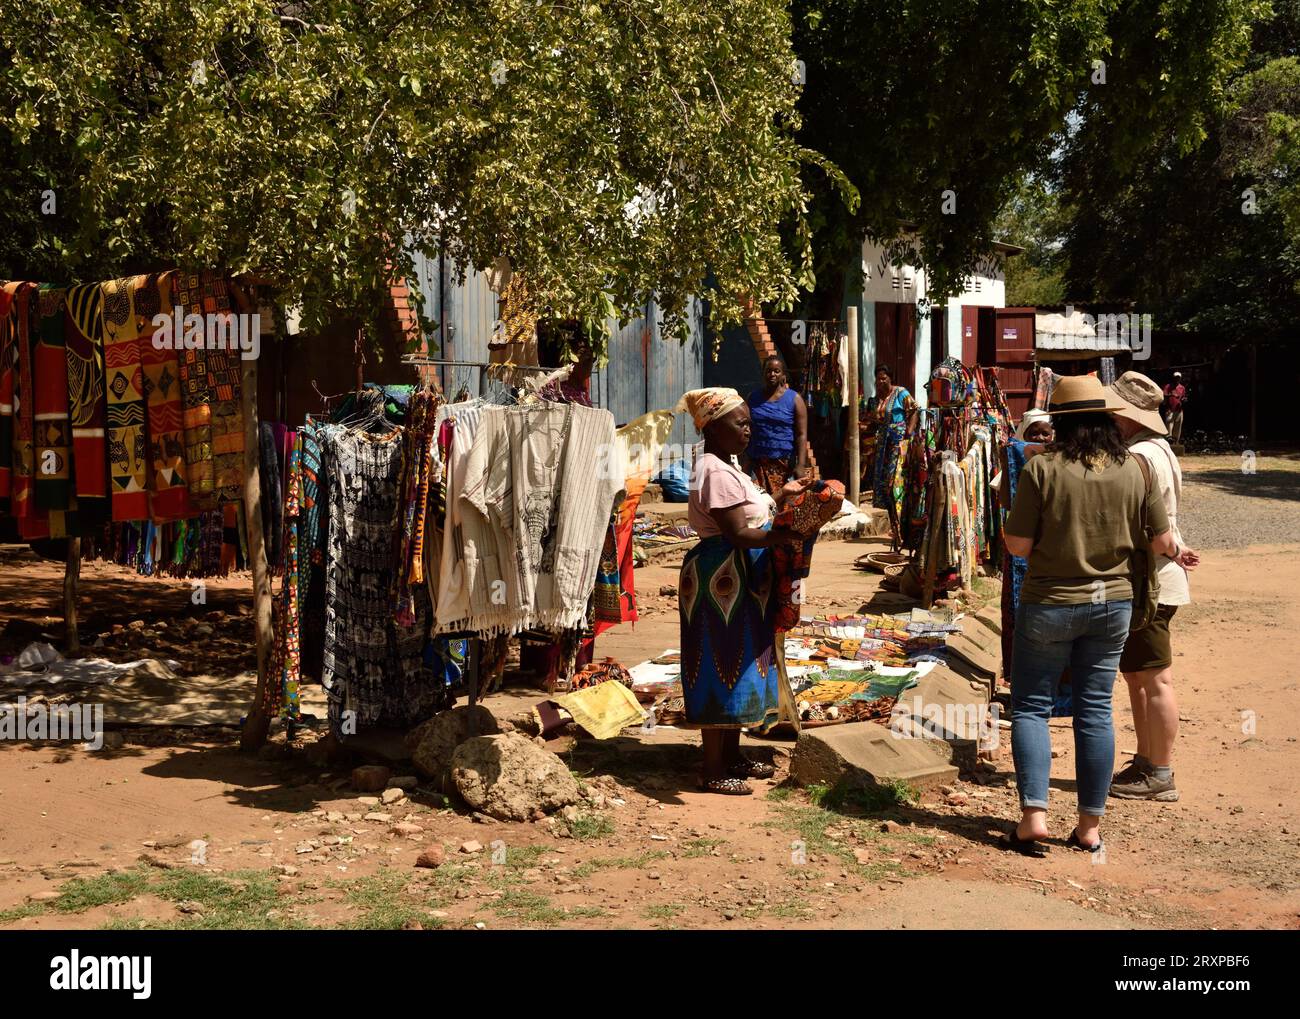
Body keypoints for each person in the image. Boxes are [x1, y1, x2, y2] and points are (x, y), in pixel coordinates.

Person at [1002, 375, 1175, 856]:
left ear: (1058, 422)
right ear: (1107, 417)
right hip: (1113, 605)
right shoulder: (1136, 468)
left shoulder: (1041, 468)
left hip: (1049, 604)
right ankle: (1089, 828)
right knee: (1095, 710)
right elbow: (1163, 541)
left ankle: (1034, 818)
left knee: (1032, 707)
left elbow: (1018, 545)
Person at [674, 388, 801, 795]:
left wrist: (783, 497)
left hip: (736, 577)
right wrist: (787, 534)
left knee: (740, 663)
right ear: (713, 427)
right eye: (740, 423)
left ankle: (731, 755)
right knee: (720, 662)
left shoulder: (726, 466)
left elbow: (749, 513)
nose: (748, 429)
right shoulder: (712, 469)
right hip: (722, 578)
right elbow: (738, 532)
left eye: (749, 423)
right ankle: (713, 768)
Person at [1107, 371, 1199, 801]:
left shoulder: (1140, 455)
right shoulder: (1156, 448)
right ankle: (1147, 761)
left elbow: (1152, 528)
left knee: (1155, 679)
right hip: (1155, 577)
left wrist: (1172, 549)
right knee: (1138, 676)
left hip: (1152, 583)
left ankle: (1159, 770)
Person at [863, 366, 915, 544]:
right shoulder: (875, 400)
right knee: (885, 486)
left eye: (884, 378)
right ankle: (895, 527)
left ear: (890, 379)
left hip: (898, 445)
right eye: (878, 378)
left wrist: (908, 432)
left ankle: (901, 528)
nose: (881, 381)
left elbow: (914, 410)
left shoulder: (901, 393)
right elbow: (872, 423)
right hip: (883, 448)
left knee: (895, 484)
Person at [747, 355, 809, 497]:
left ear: (783, 375)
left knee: (784, 505)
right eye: (769, 371)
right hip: (757, 464)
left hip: (785, 465)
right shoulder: (753, 398)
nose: (772, 374)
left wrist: (801, 464)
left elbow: (801, 434)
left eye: (777, 371)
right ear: (763, 373)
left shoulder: (794, 399)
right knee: (758, 505)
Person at [1162, 371, 1187, 443]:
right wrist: (1172, 394)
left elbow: (1183, 397)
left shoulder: (1182, 387)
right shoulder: (1168, 386)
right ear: (1173, 378)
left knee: (1178, 425)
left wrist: (1184, 399)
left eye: (1178, 378)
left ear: (1180, 378)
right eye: (1176, 377)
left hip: (1179, 409)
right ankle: (1168, 440)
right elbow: (1164, 395)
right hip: (1170, 409)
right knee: (1169, 424)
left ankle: (1176, 441)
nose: (1177, 379)